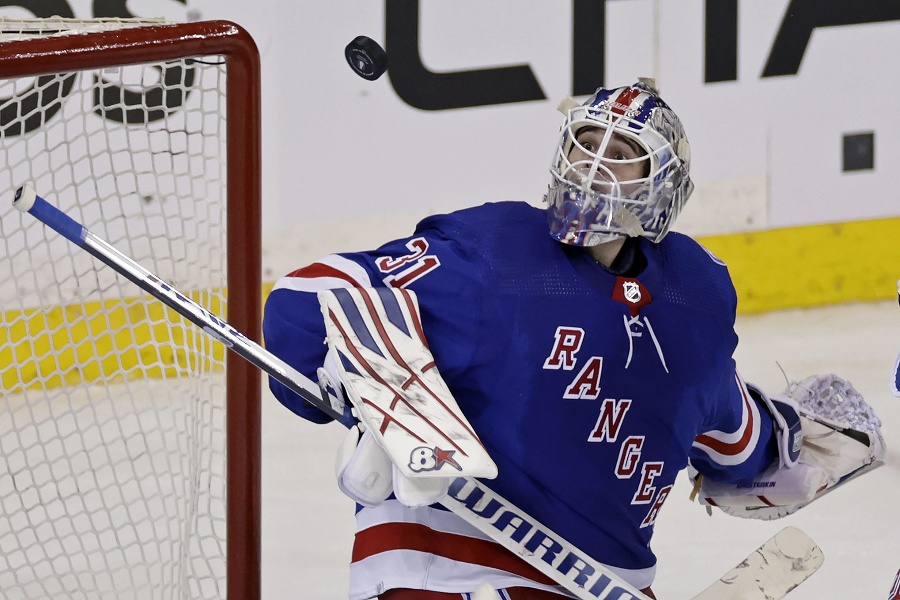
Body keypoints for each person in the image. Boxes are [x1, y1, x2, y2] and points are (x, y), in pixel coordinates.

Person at [263, 80, 881, 599]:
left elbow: (735, 441)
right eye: (585, 144)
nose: (592, 165)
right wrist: (353, 366)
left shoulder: (695, 301)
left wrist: (792, 444)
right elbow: (311, 292)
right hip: (444, 564)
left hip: (596, 584)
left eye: (620, 154)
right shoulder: (495, 255)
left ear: (663, 188)